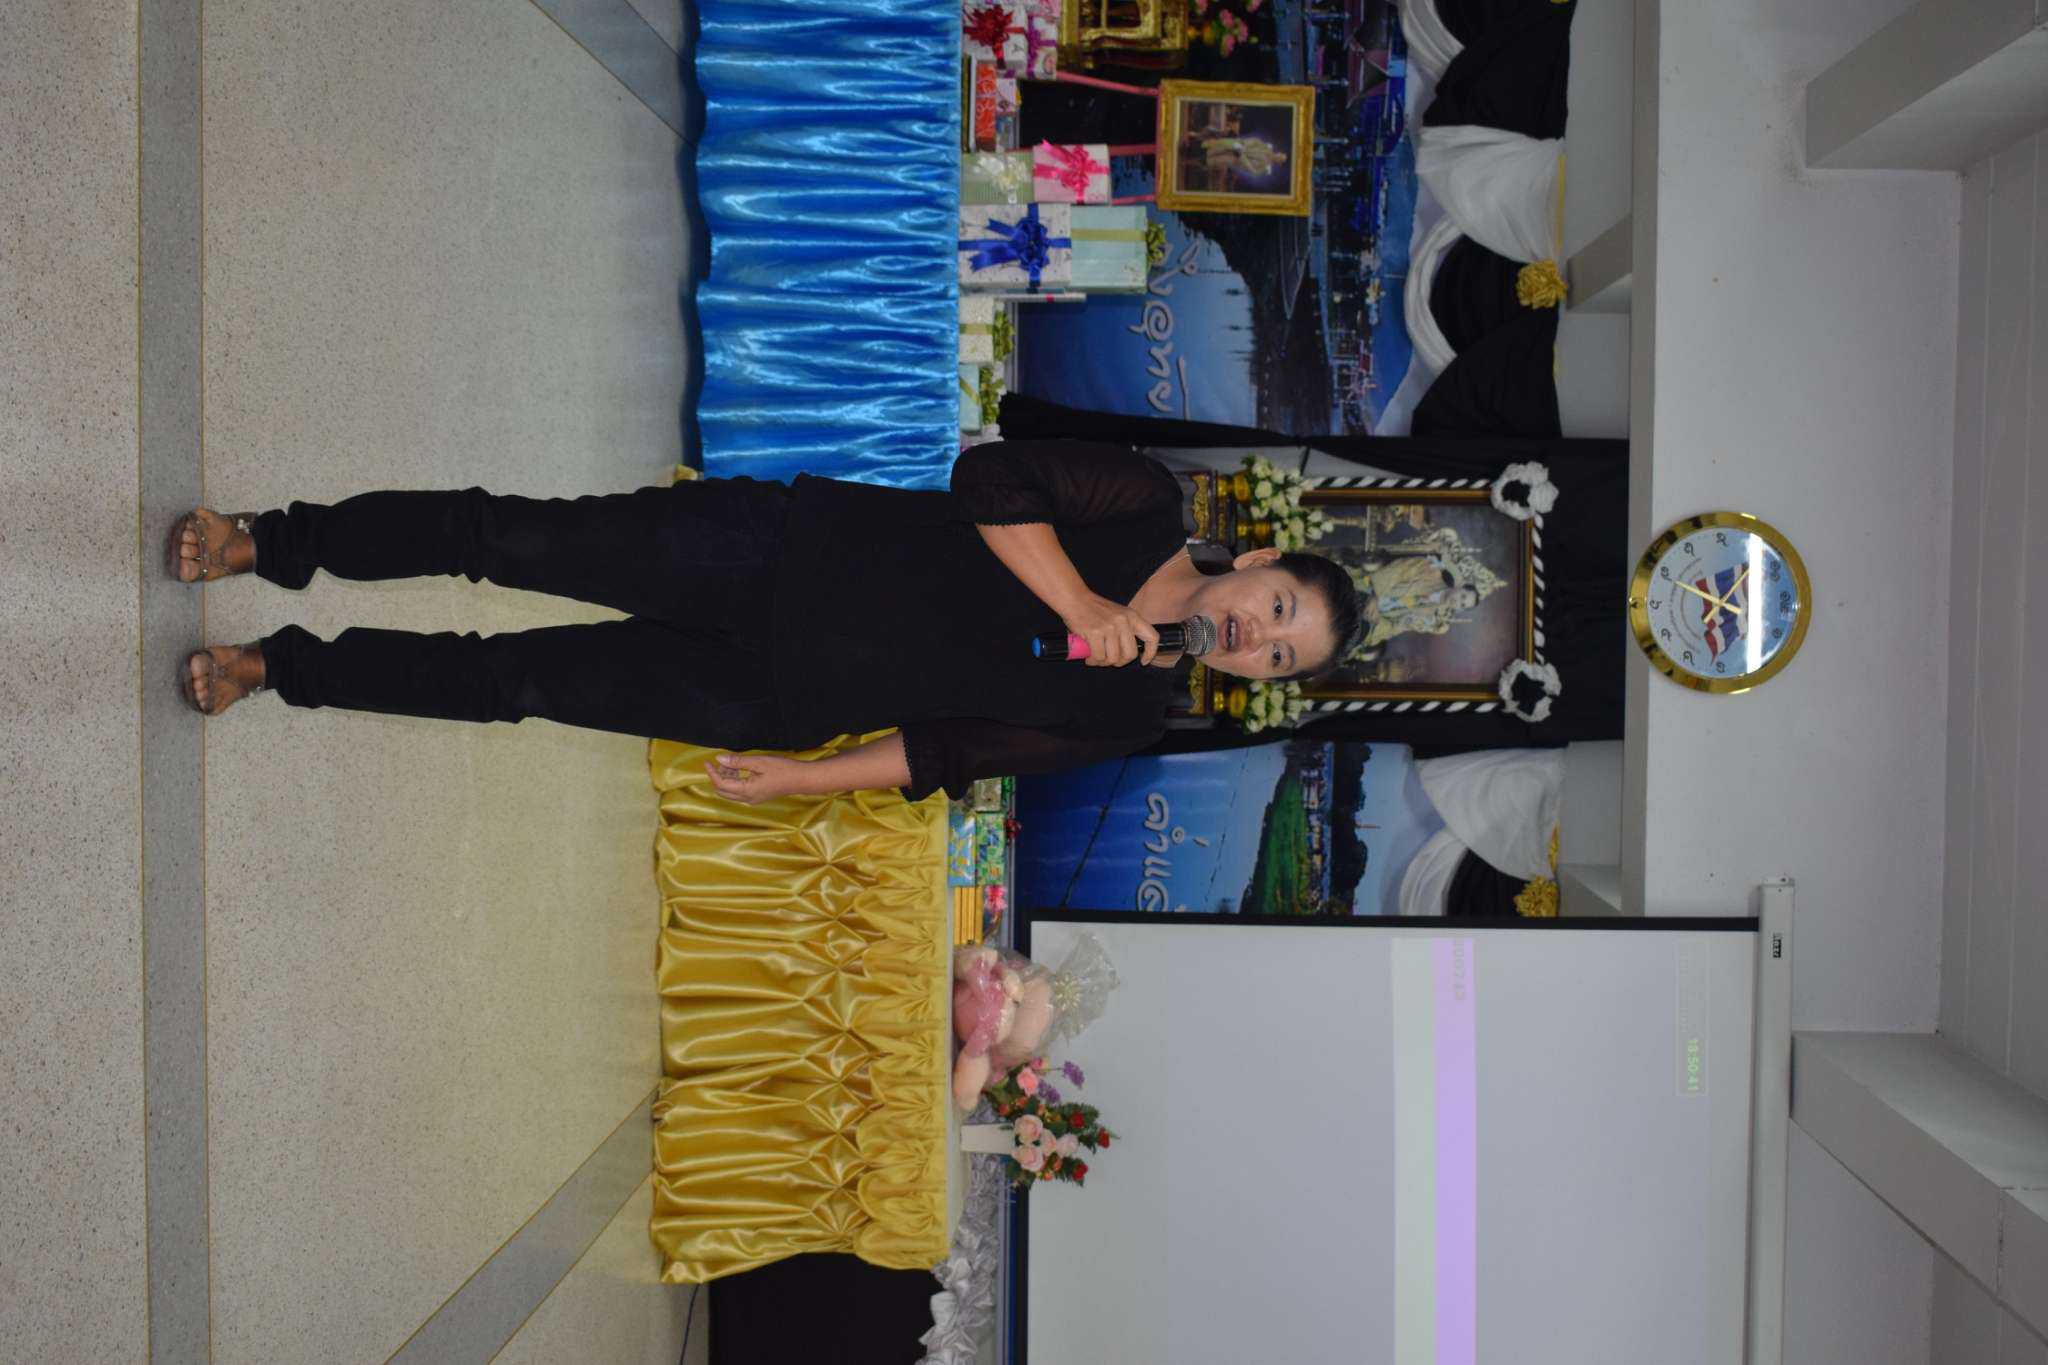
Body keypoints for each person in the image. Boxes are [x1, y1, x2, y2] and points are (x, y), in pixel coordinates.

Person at [172, 441, 1364, 805]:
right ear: (1255, 561)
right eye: (1273, 609)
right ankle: (274, 542)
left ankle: (278, 668)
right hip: (772, 551)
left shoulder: (1132, 707)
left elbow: (957, 748)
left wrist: (809, 777)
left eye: (1277, 655)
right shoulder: (1142, 503)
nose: (1253, 638)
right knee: (508, 540)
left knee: (512, 685)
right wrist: (1078, 601)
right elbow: (990, 478)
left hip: (770, 696)